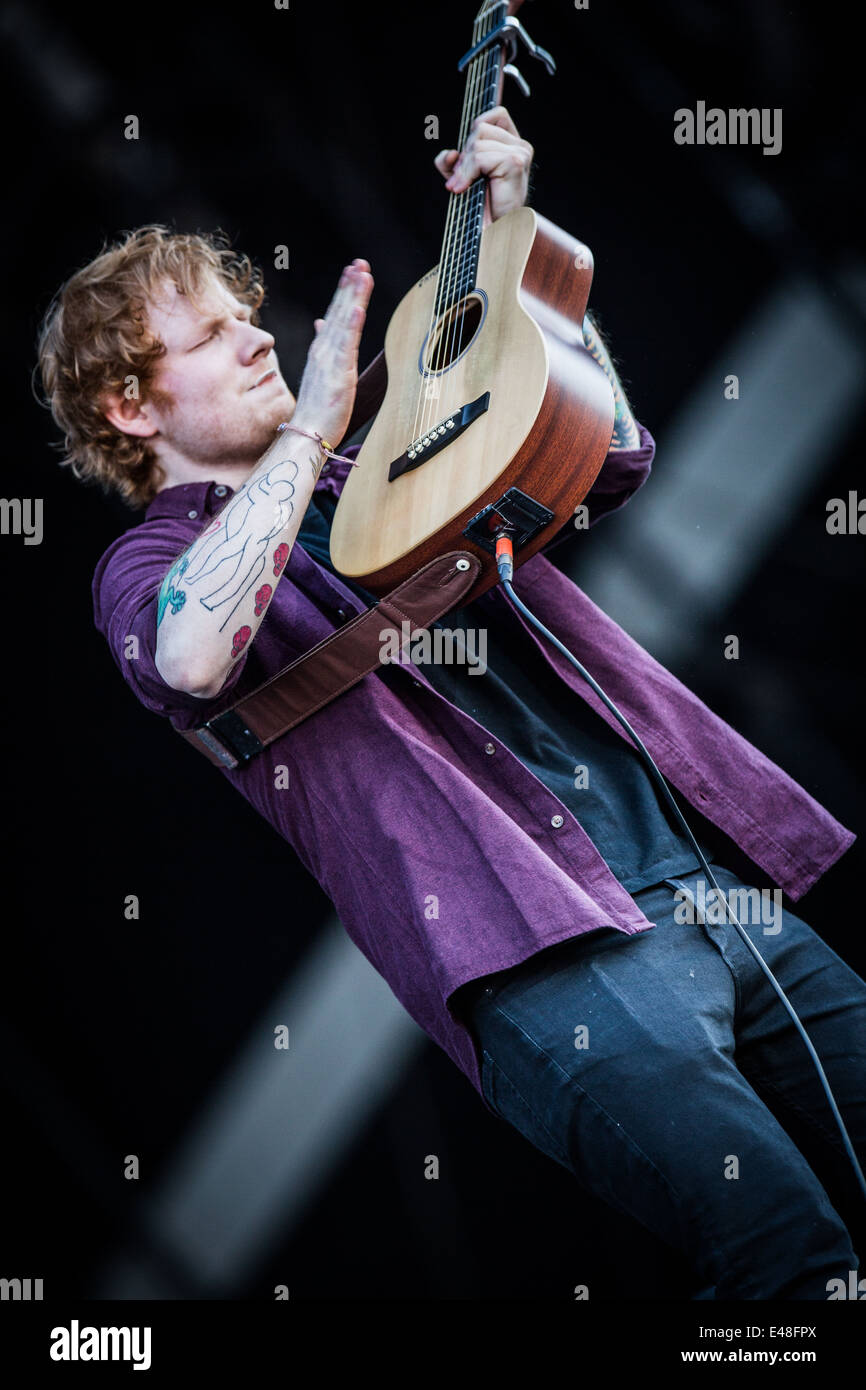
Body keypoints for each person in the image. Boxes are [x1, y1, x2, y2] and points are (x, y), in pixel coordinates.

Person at [38, 106, 865, 1300]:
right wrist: (314, 424)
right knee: (791, 1266)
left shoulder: (374, 459)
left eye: (246, 316)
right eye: (212, 338)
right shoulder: (144, 571)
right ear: (129, 407)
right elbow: (193, 656)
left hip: (705, 878)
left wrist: (522, 248)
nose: (258, 340)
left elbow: (608, 450)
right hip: (547, 953)